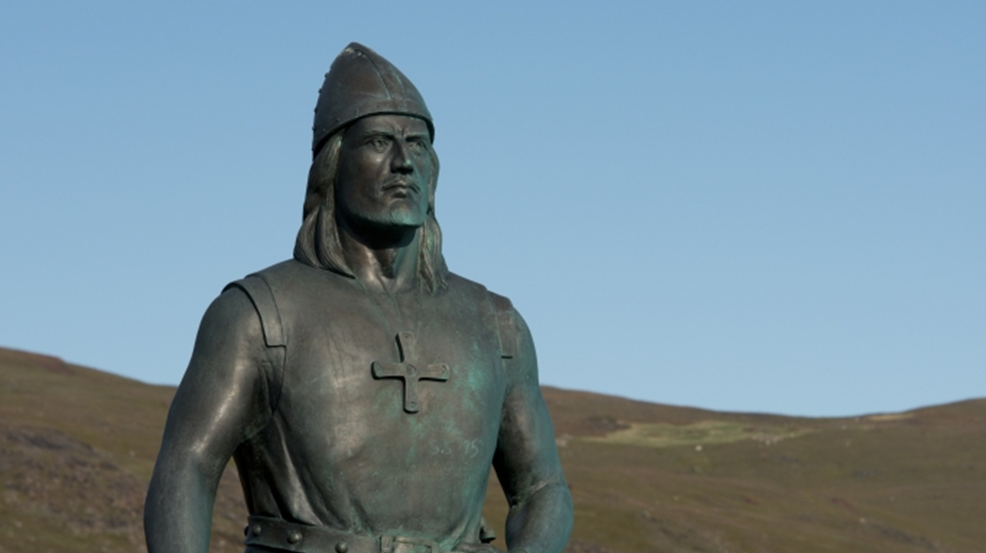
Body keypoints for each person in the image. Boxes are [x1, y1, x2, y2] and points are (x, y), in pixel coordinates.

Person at [144, 43, 573, 553]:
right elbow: (187, 467)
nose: (403, 162)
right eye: (378, 142)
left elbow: (542, 488)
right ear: (332, 165)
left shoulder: (496, 326)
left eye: (417, 145)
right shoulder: (259, 316)